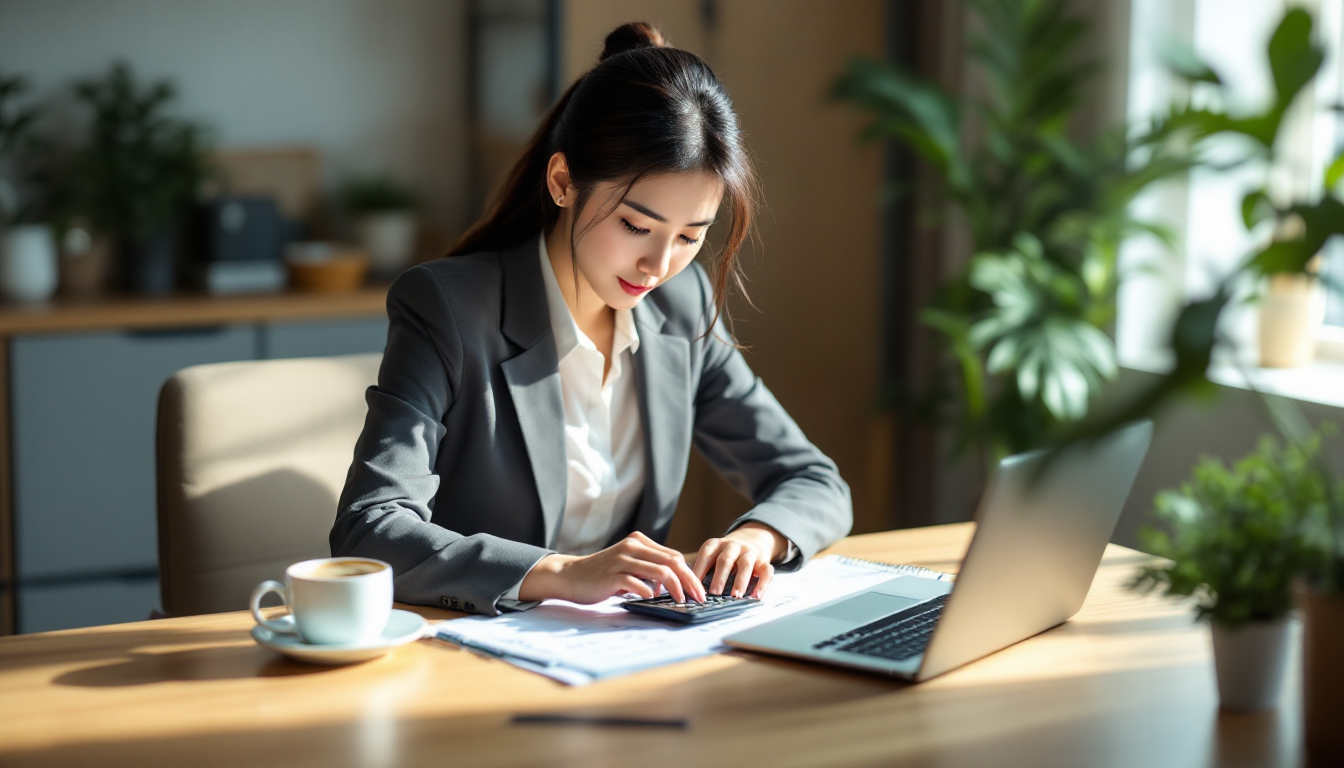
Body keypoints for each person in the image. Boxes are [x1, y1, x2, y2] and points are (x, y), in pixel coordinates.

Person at [331, 21, 851, 616]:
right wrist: (563, 573)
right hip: (470, 657)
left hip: (622, 656)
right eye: (636, 226)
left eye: (689, 237)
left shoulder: (681, 309)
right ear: (562, 182)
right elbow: (369, 529)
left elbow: (815, 481)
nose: (658, 265)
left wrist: (755, 539)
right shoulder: (449, 309)